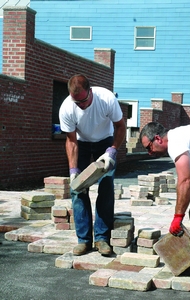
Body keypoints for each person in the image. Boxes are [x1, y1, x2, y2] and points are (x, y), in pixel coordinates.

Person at [140, 121, 190, 276]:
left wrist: (178, 217)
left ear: (157, 138)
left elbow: (184, 181)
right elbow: (188, 182)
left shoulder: (175, 142)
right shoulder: (181, 138)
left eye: (148, 147)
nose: (149, 153)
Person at [59, 74, 126, 256]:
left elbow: (121, 126)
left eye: (83, 101)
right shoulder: (67, 108)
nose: (80, 106)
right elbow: (71, 141)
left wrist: (112, 150)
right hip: (81, 143)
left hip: (105, 142)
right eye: (76, 103)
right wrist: (73, 170)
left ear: (90, 92)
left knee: (105, 186)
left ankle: (102, 238)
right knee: (77, 189)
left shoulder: (106, 98)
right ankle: (84, 240)